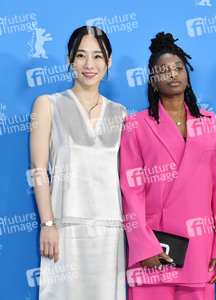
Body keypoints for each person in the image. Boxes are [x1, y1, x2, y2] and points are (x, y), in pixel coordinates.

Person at [119, 32, 216, 300]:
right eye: (164, 70)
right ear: (152, 81)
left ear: (187, 74)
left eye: (179, 68)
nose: (173, 74)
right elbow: (131, 191)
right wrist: (143, 246)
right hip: (156, 247)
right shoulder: (136, 124)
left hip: (200, 247)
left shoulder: (211, 123)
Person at [30, 26, 126, 299]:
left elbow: (123, 178)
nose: (89, 64)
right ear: (70, 60)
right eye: (81, 55)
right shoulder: (48, 104)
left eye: (98, 57)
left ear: (108, 62)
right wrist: (47, 225)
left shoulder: (120, 113)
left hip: (110, 232)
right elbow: (39, 170)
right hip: (65, 229)